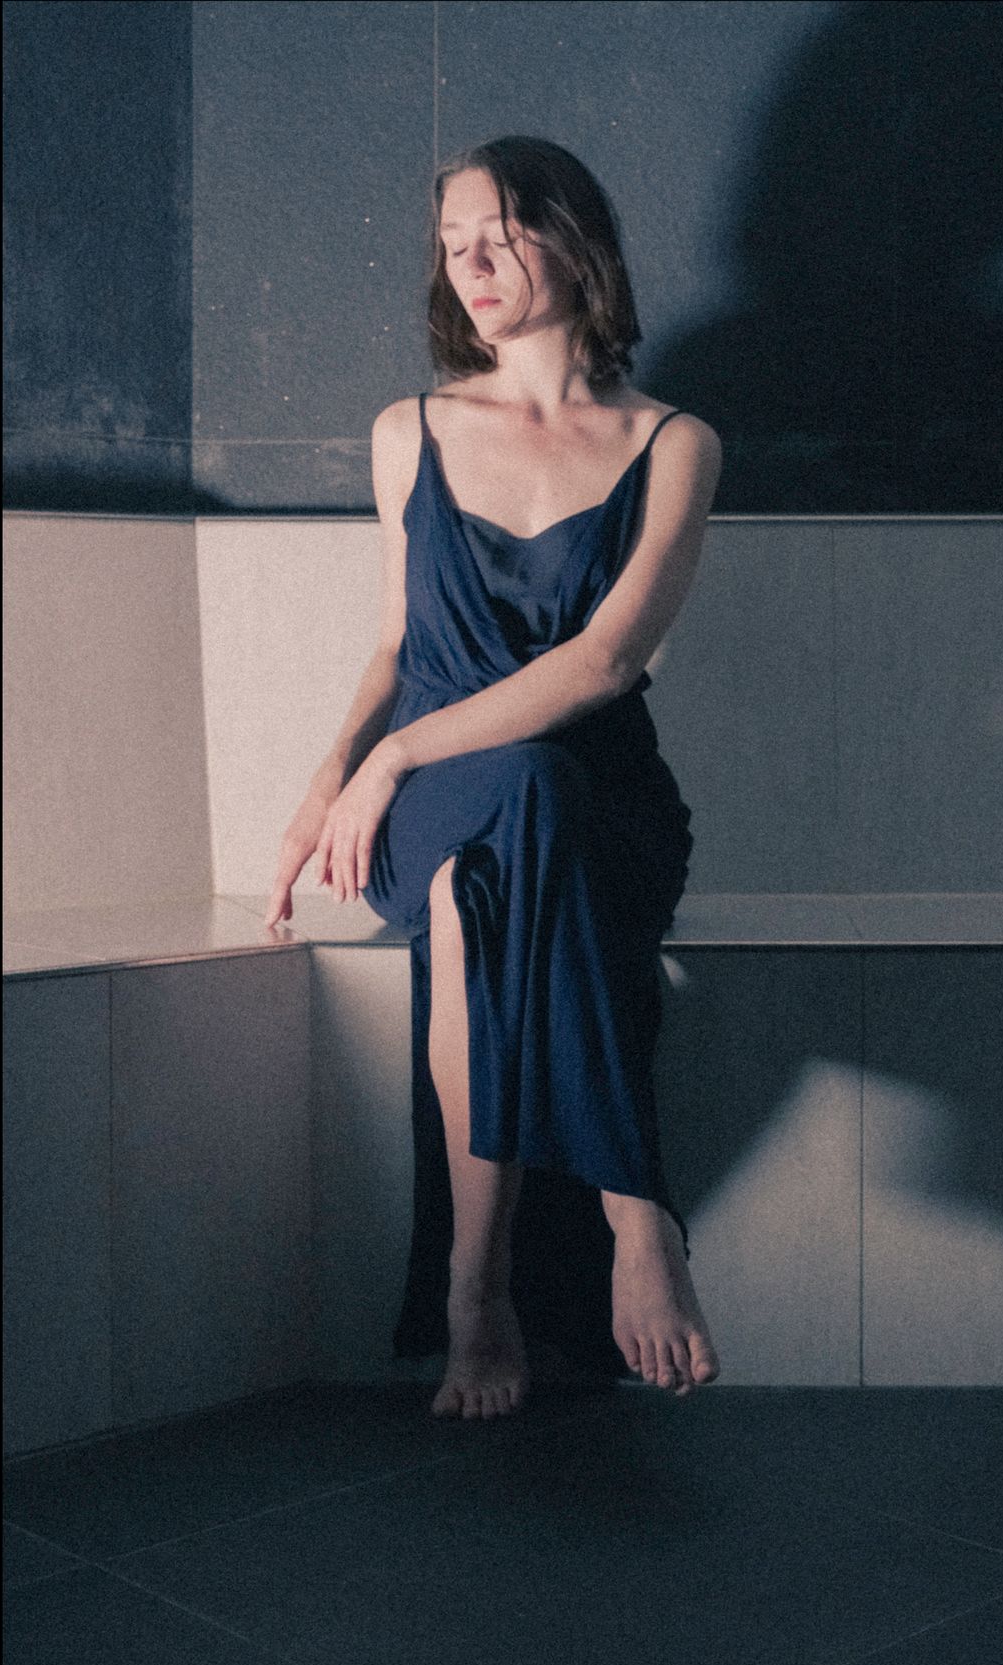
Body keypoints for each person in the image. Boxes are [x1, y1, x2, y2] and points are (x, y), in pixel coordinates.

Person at [263, 136, 722, 1421]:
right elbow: (398, 644)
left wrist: (398, 754)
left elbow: (607, 661)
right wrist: (328, 788)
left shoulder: (675, 443)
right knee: (501, 820)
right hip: (435, 804)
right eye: (452, 244)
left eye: (499, 237)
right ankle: (638, 1220)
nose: (469, 265)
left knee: (509, 842)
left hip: (597, 797)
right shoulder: (408, 430)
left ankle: (474, 1288)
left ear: (572, 241)